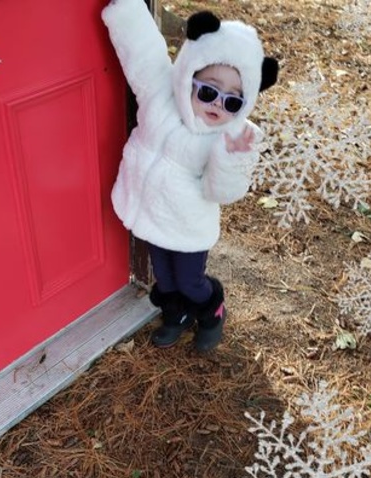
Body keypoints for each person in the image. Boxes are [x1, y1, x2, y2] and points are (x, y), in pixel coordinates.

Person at [102, 0, 279, 352]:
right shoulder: (161, 95)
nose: (217, 105)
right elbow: (142, 51)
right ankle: (177, 315)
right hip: (150, 213)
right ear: (189, 76)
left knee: (189, 281)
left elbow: (223, 192)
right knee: (165, 278)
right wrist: (126, 8)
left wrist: (231, 158)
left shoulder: (232, 138)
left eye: (232, 102)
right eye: (209, 91)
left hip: (187, 227)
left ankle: (212, 310)